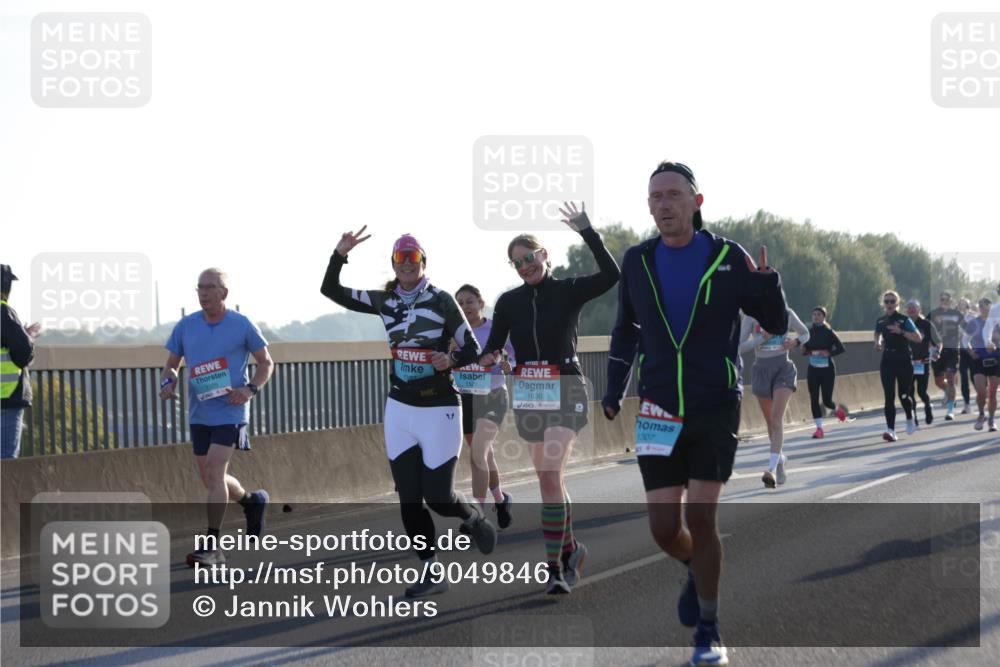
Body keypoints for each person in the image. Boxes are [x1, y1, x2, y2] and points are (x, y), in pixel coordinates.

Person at [602, 161, 788, 667]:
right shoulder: (637, 260)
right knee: (664, 529)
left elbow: (771, 322)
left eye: (674, 195)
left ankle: (709, 629)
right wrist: (615, 386)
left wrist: (769, 284)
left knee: (703, 516)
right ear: (648, 206)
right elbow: (626, 330)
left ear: (696, 202)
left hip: (713, 403)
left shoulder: (728, 256)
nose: (664, 204)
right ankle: (694, 566)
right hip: (659, 405)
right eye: (655, 197)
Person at [321, 229, 497, 598]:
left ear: (423, 263)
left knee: (438, 497)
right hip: (400, 407)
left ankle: (472, 517)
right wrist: (340, 253)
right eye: (400, 259)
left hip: (439, 408)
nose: (405, 265)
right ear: (393, 264)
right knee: (408, 497)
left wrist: (447, 359)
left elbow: (473, 348)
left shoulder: (442, 300)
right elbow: (332, 291)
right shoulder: (385, 301)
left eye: (412, 259)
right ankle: (432, 570)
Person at [480, 201, 620, 595]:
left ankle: (554, 567)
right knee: (551, 481)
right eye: (517, 263)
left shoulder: (568, 290)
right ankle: (572, 548)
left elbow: (612, 274)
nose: (525, 266)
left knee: (548, 474)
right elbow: (492, 346)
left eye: (530, 258)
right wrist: (483, 357)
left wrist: (588, 232)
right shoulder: (509, 302)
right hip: (528, 391)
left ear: (544, 255)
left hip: (567, 386)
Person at [160, 268, 274, 566]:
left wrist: (249, 390)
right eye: (200, 287)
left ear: (224, 293)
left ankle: (212, 546)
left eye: (210, 287)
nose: (204, 293)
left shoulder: (241, 324)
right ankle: (251, 501)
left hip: (231, 410)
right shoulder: (186, 326)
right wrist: (167, 382)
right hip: (200, 413)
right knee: (211, 477)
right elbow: (171, 364)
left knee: (214, 469)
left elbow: (266, 363)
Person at [453, 284, 514, 528]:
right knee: (483, 454)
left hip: (494, 396)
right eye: (460, 303)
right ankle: (500, 499)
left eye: (469, 301)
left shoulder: (494, 328)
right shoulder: (455, 332)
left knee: (478, 452)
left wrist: (508, 365)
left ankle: (476, 515)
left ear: (481, 303)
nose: (465, 307)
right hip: (466, 397)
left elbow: (513, 354)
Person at [739, 306, 809, 487]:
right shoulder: (751, 316)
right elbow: (738, 347)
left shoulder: (786, 313)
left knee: (777, 420)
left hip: (783, 369)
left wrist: (795, 342)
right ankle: (780, 460)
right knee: (771, 423)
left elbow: (805, 333)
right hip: (761, 370)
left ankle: (769, 469)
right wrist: (762, 338)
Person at [1, 265, 41, 459]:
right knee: (6, 461)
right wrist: (29, 337)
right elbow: (24, 352)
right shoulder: (4, 313)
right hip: (6, 399)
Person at [874, 290, 923, 441]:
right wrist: (877, 342)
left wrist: (900, 331)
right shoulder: (881, 320)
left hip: (904, 359)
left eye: (892, 301)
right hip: (888, 359)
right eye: (887, 301)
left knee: (903, 395)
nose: (889, 304)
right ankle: (891, 430)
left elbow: (918, 338)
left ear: (897, 304)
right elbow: (877, 333)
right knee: (889, 396)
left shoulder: (904, 320)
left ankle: (909, 416)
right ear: (883, 303)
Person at [800, 306, 848, 438]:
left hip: (827, 370)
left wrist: (828, 353)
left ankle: (837, 409)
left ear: (824, 317)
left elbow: (841, 348)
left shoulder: (829, 332)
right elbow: (805, 351)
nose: (816, 316)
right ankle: (819, 429)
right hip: (813, 369)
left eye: (819, 314)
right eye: (814, 314)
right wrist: (804, 350)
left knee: (827, 401)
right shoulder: (808, 333)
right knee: (814, 399)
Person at [928, 291, 963, 421]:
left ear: (951, 301)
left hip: (952, 350)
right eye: (942, 299)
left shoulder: (957, 314)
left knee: (950, 377)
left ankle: (950, 410)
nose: (944, 301)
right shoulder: (933, 314)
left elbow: (967, 328)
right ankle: (948, 393)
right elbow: (924, 328)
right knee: (938, 381)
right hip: (937, 350)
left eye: (947, 299)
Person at [906, 299, 941, 429]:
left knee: (921, 391)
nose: (911, 310)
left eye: (914, 308)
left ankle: (927, 405)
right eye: (909, 308)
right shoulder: (904, 324)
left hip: (922, 363)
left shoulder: (926, 324)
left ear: (919, 310)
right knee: (909, 392)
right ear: (906, 310)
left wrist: (937, 351)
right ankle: (913, 417)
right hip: (907, 363)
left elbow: (938, 341)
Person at [966, 297, 999, 432]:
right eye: (980, 306)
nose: (983, 308)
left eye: (986, 306)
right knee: (981, 392)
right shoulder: (973, 323)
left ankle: (991, 419)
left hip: (995, 359)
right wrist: (971, 352)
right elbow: (964, 340)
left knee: (992, 393)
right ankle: (981, 414)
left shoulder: (996, 322)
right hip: (978, 359)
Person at [957, 297, 975, 414]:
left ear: (968, 305)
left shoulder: (973, 317)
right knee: (963, 377)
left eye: (964, 304)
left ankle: (984, 396)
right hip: (962, 351)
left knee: (975, 376)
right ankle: (967, 404)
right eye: (960, 304)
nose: (961, 306)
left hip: (973, 350)